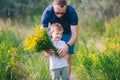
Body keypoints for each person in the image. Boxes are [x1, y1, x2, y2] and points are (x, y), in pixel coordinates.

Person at [41, 0, 78, 74]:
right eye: (57, 13)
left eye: (62, 13)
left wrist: (67, 45)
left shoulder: (72, 12)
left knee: (67, 58)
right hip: (53, 32)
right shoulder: (47, 13)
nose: (59, 15)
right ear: (53, 7)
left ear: (66, 8)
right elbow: (42, 34)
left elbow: (75, 34)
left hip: (68, 33)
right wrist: (46, 48)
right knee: (53, 56)